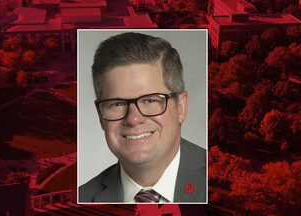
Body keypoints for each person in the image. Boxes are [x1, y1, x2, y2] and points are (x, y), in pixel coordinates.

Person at [79, 32, 206, 203]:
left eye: (150, 100)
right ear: (100, 116)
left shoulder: (223, 181)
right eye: (117, 104)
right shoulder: (83, 197)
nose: (133, 119)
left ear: (181, 108)